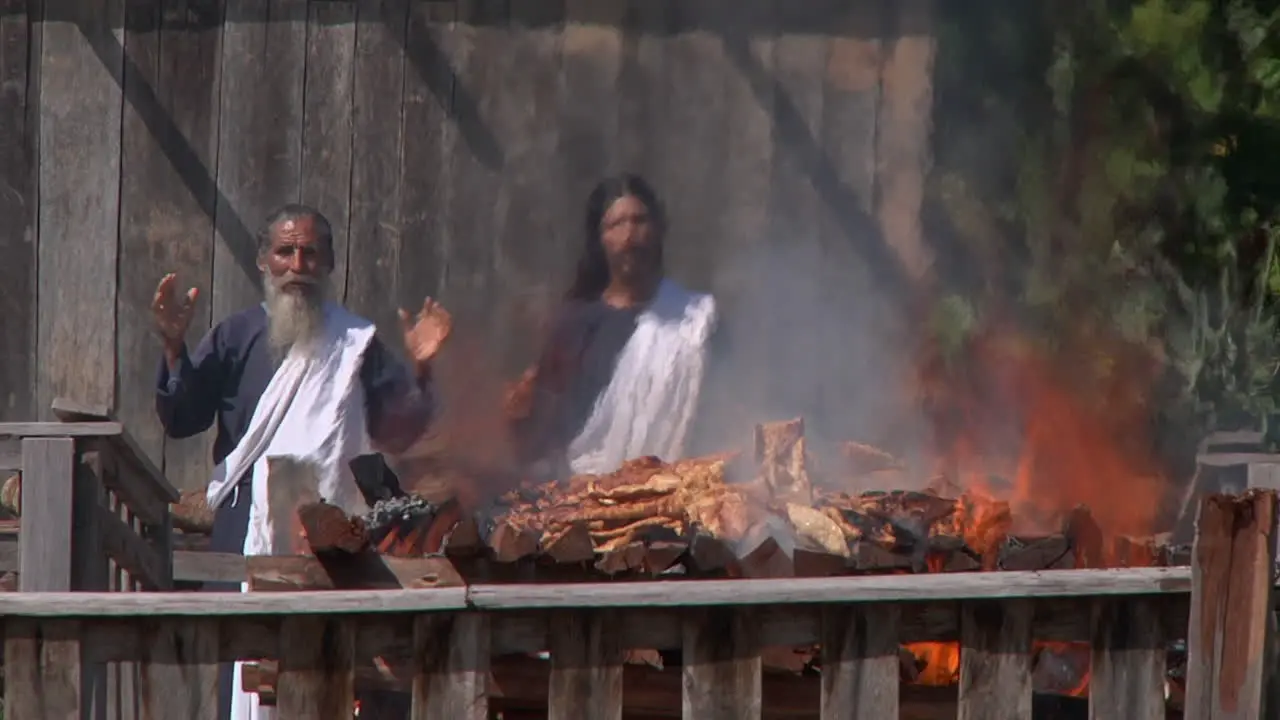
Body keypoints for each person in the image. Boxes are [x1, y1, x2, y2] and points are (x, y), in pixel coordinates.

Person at [152, 204, 449, 720]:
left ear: (329, 262)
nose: (297, 265)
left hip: (340, 541)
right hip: (246, 533)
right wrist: (173, 348)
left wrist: (423, 371)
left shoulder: (358, 343)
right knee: (244, 675)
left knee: (337, 680)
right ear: (264, 260)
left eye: (310, 253)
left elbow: (400, 430)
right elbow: (182, 416)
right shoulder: (235, 336)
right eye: (285, 251)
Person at [506, 174, 718, 479]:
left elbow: (723, 410)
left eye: (640, 220)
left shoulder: (698, 320)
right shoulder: (573, 324)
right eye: (615, 225)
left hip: (672, 498)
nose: (630, 235)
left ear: (658, 229)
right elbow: (543, 426)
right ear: (599, 240)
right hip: (583, 496)